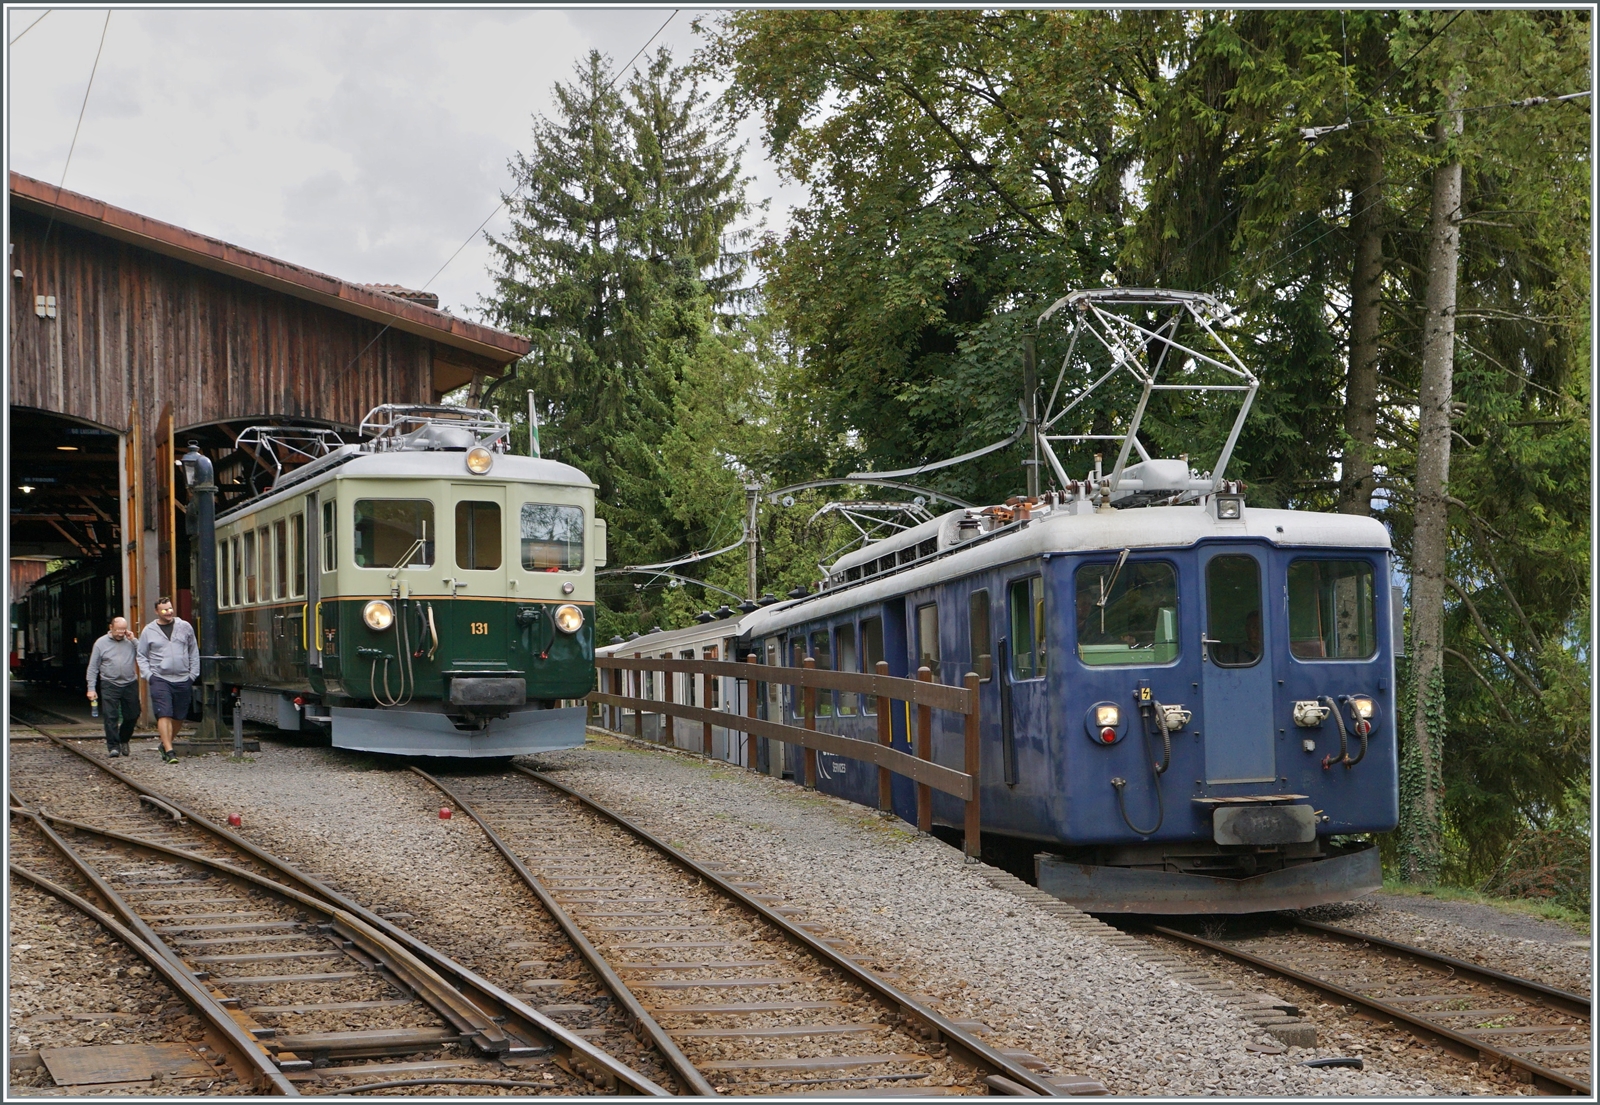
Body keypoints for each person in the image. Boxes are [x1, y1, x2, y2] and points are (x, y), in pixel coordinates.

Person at [136, 597, 198, 764]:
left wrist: (193, 674)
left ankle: (164, 744)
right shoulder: (148, 631)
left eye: (170, 608)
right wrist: (149, 675)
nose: (168, 612)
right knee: (164, 713)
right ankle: (170, 751)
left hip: (183, 677)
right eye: (164, 610)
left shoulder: (185, 627)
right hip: (160, 678)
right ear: (157, 611)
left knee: (179, 716)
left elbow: (193, 650)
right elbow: (141, 655)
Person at [85, 616, 139, 758]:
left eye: (123, 630)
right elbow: (93, 667)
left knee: (133, 714)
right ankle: (113, 746)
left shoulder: (130, 642)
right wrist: (91, 688)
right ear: (111, 628)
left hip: (130, 682)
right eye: (118, 630)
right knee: (110, 716)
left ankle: (124, 739)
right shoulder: (100, 643)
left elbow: (144, 654)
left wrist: (133, 640)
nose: (121, 633)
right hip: (109, 683)